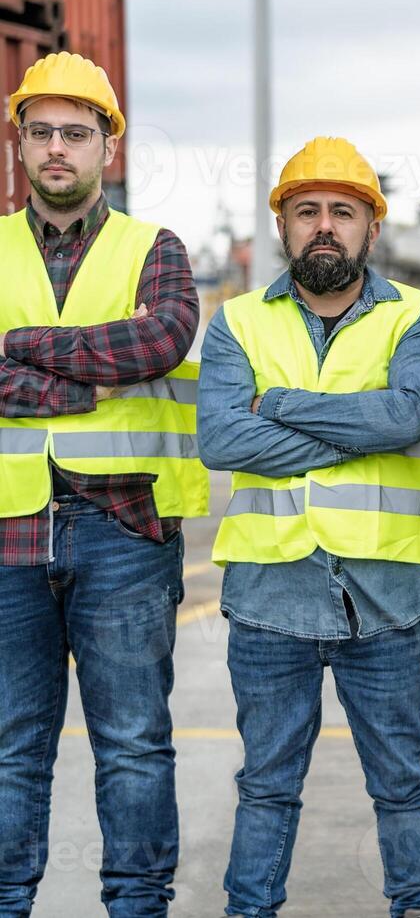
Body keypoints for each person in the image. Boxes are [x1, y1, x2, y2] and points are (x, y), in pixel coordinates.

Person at [197, 137, 420, 918]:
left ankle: (419, 906)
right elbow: (221, 440)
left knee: (401, 781)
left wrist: (273, 404)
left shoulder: (419, 315)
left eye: (344, 211)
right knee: (266, 784)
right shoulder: (235, 321)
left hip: (389, 595)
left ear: (372, 226)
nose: (324, 227)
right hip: (272, 595)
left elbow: (404, 415)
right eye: (306, 211)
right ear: (282, 225)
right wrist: (361, 426)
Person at [0, 51, 204, 918]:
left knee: (132, 745)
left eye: (75, 134)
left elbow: (159, 340)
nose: (57, 148)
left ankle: (137, 908)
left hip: (123, 529)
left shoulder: (153, 248)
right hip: (7, 534)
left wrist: (19, 345)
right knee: (11, 751)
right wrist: (87, 372)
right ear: (19, 145)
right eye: (40, 131)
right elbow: (120, 350)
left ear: (107, 148)